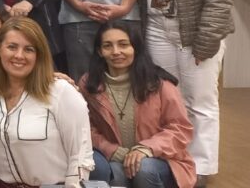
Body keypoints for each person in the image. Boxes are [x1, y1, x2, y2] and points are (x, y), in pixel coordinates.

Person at [142, 0, 232, 186]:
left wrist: (206, 41)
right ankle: (175, 159)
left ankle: (201, 167)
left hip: (196, 34)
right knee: (169, 99)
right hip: (158, 31)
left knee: (200, 103)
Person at [0, 16, 94, 188]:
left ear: (39, 55)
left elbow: (80, 155)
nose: (19, 55)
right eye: (12, 47)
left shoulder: (62, 91)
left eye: (29, 49)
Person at [82, 22, 195, 188]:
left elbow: (180, 129)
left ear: (135, 47)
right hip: (116, 159)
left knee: (144, 168)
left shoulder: (159, 82)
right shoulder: (88, 84)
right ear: (100, 52)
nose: (116, 52)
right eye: (108, 46)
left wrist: (146, 149)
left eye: (123, 44)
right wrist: (111, 149)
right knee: (114, 171)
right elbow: (85, 128)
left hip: (162, 160)